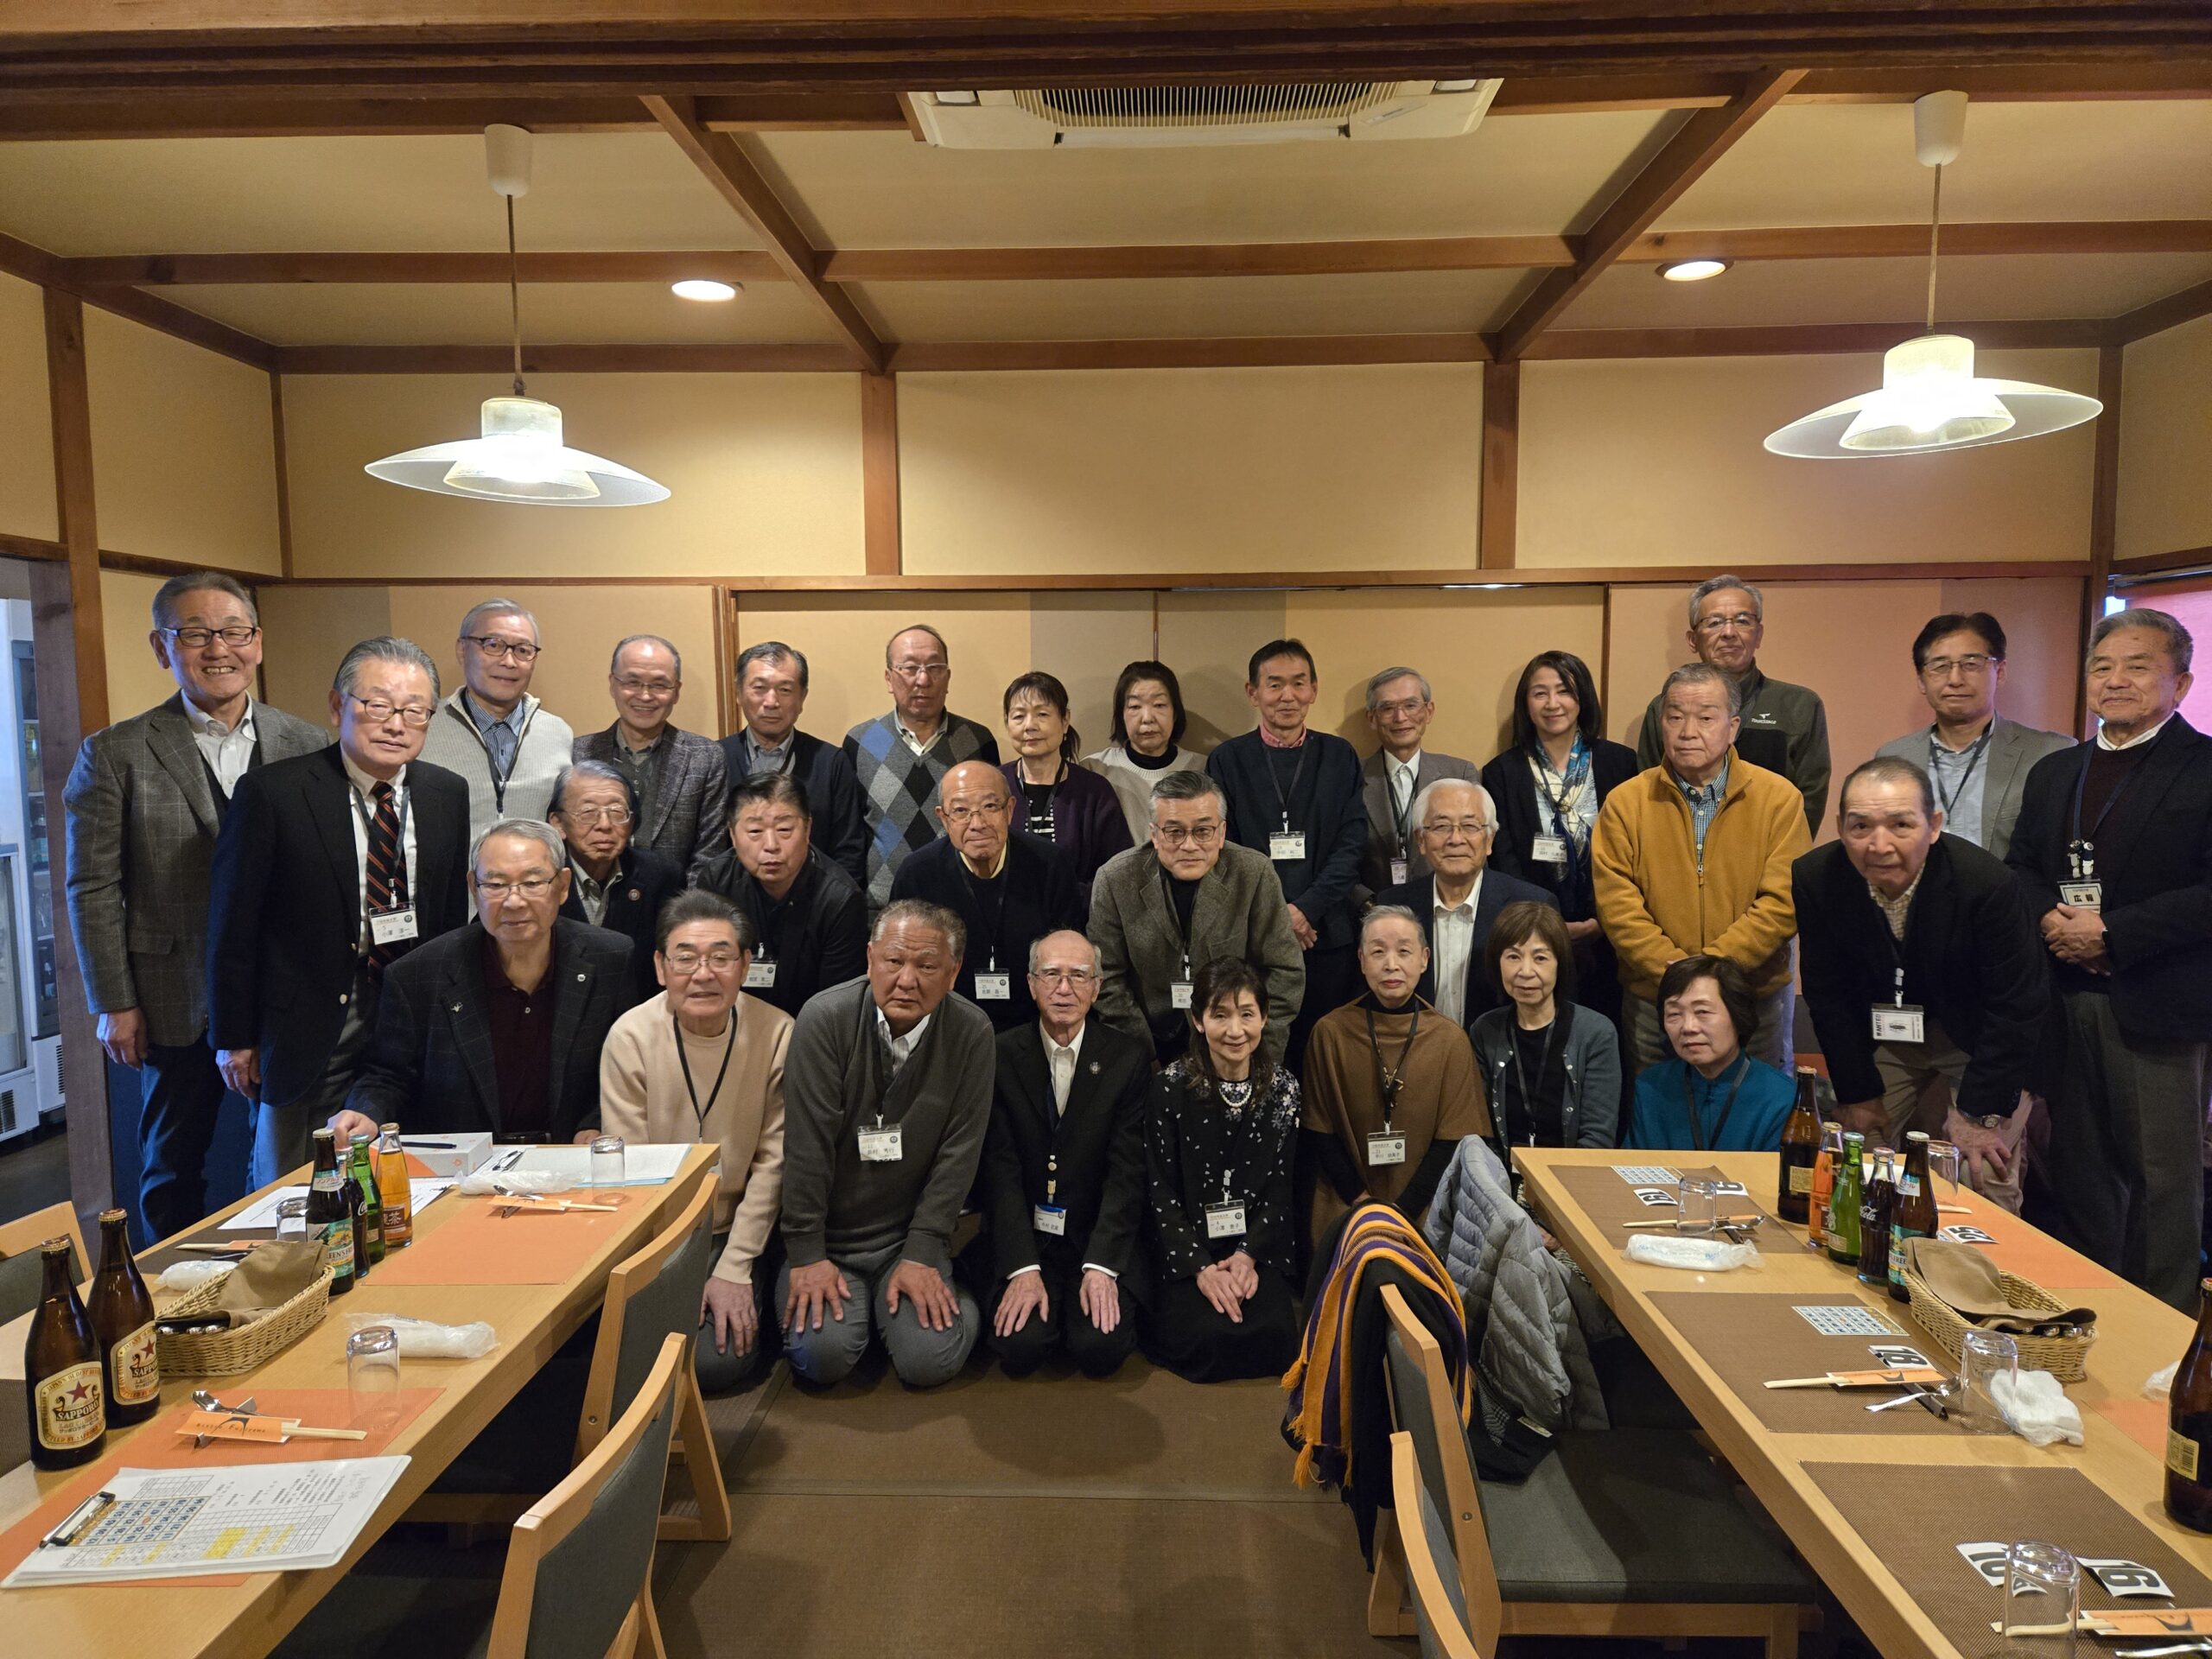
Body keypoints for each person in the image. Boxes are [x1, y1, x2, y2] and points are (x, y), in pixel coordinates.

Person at [62, 571, 329, 1239]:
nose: (219, 649)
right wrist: (113, 1000)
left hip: (283, 989)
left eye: (234, 632)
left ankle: (285, 1275)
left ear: (257, 642)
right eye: (196, 634)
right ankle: (168, 1288)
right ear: (162, 647)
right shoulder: (116, 752)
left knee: (288, 1155)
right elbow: (92, 885)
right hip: (172, 995)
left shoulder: (305, 743)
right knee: (172, 1162)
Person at [207, 639, 471, 1185]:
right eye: (378, 705)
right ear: (336, 706)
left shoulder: (447, 792)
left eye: (415, 710)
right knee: (300, 1184)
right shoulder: (273, 793)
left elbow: (447, 919)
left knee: (403, 1175)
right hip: (309, 1019)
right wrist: (234, 1037)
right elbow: (232, 924)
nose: (396, 724)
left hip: (407, 1010)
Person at [2008, 608, 2212, 1309]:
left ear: (2181, 683)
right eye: (2102, 666)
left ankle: (2167, 1340)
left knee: (2163, 1183)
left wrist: (2113, 934)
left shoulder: (2204, 767)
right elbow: (2022, 866)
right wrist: (2051, 919)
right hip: (2066, 998)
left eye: (2138, 666)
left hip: (2158, 1003)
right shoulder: (2056, 771)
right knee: (2080, 1175)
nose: (2115, 679)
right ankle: (2092, 1319)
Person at [1795, 759, 2047, 1208]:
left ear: (1933, 826)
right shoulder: (1816, 877)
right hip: (1890, 1036)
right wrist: (1858, 1094)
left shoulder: (1985, 883)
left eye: (1900, 825)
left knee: (1976, 1170)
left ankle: (1988, 1253)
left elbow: (2016, 1006)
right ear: (1840, 828)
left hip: (1980, 1036)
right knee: (1856, 1154)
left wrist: (1977, 1116)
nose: (1879, 845)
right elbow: (1828, 995)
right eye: (1861, 826)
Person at [778, 899, 995, 1388]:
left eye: (927, 966)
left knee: (929, 1362)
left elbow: (959, 1156)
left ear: (954, 973)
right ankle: (872, 1313)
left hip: (907, 1237)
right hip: (830, 1239)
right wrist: (807, 1254)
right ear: (870, 958)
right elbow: (806, 1150)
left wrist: (921, 1252)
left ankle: (924, 1296)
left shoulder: (972, 1031)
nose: (907, 979)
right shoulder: (825, 1017)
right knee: (821, 1358)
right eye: (894, 961)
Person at [332, 819, 632, 1146]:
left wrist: (596, 1123)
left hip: (570, 1153)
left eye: (532, 883)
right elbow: (388, 1075)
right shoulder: (419, 974)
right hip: (466, 1161)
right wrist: (366, 1113)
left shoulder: (611, 958)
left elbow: (626, 1068)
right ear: (474, 888)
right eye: (496, 884)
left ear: (562, 886)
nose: (514, 901)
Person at [599, 890, 793, 1391]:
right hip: (660, 1230)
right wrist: (666, 1269)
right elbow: (632, 1173)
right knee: (639, 1357)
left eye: (720, 958)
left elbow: (774, 1165)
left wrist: (734, 1268)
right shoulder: (630, 1037)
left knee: (715, 1364)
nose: (703, 974)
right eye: (685, 958)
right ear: (660, 967)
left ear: (745, 965)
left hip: (736, 1228)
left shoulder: (777, 1033)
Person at [1595, 663, 1808, 1073]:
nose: (1688, 731)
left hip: (1749, 996)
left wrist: (1712, 972)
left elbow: (1782, 902)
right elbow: (1616, 904)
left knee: (1752, 1108)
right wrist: (1678, 977)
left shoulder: (1780, 799)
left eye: (1706, 718)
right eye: (1675, 717)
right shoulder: (1625, 802)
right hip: (1656, 998)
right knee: (1658, 1106)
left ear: (1733, 727)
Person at [981, 930, 1151, 1379]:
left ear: (1097, 987)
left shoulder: (1127, 1058)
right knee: (1021, 1347)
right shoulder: (999, 1054)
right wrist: (1021, 1267)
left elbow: (1127, 1173)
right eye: (1051, 974)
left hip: (1094, 1235)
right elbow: (1000, 1169)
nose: (1064, 988)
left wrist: (1102, 1267)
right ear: (1030, 983)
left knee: (1100, 1349)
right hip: (1027, 1235)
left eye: (1078, 976)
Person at [1142, 956, 1302, 1384]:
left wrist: (1247, 1257)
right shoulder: (1169, 1087)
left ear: (1264, 1017)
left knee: (1276, 1335)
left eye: (1247, 1014)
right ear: (1198, 1020)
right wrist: (1202, 1268)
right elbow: (1159, 1189)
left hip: (1251, 1247)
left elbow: (1280, 1187)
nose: (1235, 1030)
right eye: (1220, 1015)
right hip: (1189, 1250)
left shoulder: (1284, 1089)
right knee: (1207, 1339)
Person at [1207, 639, 1366, 1065]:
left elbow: (1352, 844)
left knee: (1323, 1053)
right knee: (1256, 1052)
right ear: (1253, 692)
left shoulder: (1339, 756)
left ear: (1314, 689)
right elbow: (1223, 848)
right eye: (1275, 684)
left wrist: (1307, 909)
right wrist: (1280, 916)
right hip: (1253, 936)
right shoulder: (1227, 759)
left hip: (1326, 932)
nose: (1287, 696)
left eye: (1299, 683)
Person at [1300, 906, 1489, 1247]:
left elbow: (1454, 1139)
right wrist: (1363, 1204)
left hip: (1426, 1209)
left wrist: (1401, 1211)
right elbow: (1320, 1128)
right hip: (1346, 1205)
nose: (1391, 964)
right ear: (1361, 960)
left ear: (1424, 959)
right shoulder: (1330, 1033)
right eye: (1378, 952)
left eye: (1404, 951)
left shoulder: (1449, 1039)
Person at [1088, 770, 1304, 1066]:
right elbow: (1106, 977)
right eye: (1174, 832)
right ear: (1154, 834)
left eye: (1203, 831)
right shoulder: (1115, 878)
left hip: (1235, 1040)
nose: (1189, 845)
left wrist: (1255, 1053)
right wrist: (1139, 1058)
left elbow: (1285, 972)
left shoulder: (1254, 873)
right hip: (1149, 1040)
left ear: (1222, 832)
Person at [1481, 649, 1639, 1038]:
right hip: (1534, 933)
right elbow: (1504, 858)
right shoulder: (1502, 771)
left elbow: (1635, 849)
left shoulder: (1620, 762)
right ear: (1526, 703)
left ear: (1582, 697)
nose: (1553, 703)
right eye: (1540, 693)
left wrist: (1603, 919)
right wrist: (1546, 921)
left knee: (1607, 1030)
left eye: (1564, 690)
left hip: (1611, 931)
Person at [890, 760, 1084, 1034]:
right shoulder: (917, 874)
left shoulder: (1051, 864)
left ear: (1009, 809)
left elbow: (1070, 958)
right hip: (945, 1025)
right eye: (961, 811)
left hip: (1033, 1025)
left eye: (990, 807)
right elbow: (901, 966)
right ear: (943, 818)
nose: (977, 824)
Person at [1636, 575, 1830, 833]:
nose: (1729, 633)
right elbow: (1650, 792)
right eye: (1715, 622)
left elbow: (1809, 804)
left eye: (1742, 621)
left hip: (1771, 850)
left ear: (1758, 635)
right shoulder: (1664, 707)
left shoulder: (1798, 705)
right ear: (1693, 639)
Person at [1876, 612, 2073, 861]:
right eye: (1940, 666)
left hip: (2010, 887)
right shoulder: (1892, 759)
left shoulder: (2051, 754)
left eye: (1971, 664)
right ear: (1921, 680)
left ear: (2000, 672)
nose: (1955, 679)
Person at [844, 623, 1001, 911]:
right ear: (889, 678)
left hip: (964, 908)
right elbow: (851, 839)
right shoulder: (860, 742)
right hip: (883, 911)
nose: (923, 679)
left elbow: (993, 826)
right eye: (909, 668)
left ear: (948, 677)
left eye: (934, 667)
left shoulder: (977, 741)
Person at [1379, 779, 1555, 1031]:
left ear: (1489, 840)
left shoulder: (1532, 906)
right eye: (1441, 826)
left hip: (1499, 1048)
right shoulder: (1391, 908)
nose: (1456, 839)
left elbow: (1553, 1007)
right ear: (1421, 839)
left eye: (1470, 826)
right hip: (1414, 1047)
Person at [696, 773, 869, 1020]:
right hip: (732, 1022)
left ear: (807, 829)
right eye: (755, 830)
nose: (771, 845)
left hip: (810, 1029)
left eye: (784, 829)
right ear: (733, 835)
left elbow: (837, 1003)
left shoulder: (840, 899)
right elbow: (710, 972)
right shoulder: (717, 881)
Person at [1469, 900, 1624, 1160]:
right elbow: (1480, 1131)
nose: (1526, 971)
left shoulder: (1596, 1033)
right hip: (1499, 1179)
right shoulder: (1485, 1030)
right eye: (1513, 957)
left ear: (1560, 963)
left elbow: (1597, 1138)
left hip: (1571, 1177)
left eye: (1540, 958)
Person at [572, 633, 728, 880]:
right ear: (613, 684)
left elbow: (709, 856)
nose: (645, 696)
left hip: (678, 900)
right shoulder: (578, 754)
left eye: (659, 685)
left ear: (676, 691)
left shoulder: (707, 758)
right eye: (633, 682)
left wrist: (683, 905)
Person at [719, 639, 868, 889]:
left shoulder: (831, 762)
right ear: (738, 694)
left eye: (785, 690)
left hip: (817, 902)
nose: (771, 701)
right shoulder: (716, 758)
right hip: (732, 903)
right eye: (759, 688)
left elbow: (849, 851)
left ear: (802, 698)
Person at [418, 598, 574, 833]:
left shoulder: (558, 732)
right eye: (493, 645)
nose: (509, 662)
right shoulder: (423, 726)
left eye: (523, 650)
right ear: (462, 650)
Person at [1624, 956, 1796, 1152]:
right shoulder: (1651, 1086)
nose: (1688, 1027)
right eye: (1674, 1014)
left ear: (1738, 1015)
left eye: (1702, 1012)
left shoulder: (1780, 1096)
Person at [550, 760, 683, 1008]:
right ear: (558, 823)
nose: (604, 825)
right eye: (588, 812)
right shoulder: (540, 879)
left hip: (636, 1017)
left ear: (632, 822)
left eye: (617, 812)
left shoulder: (660, 876)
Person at [1001, 671, 1133, 893]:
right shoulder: (995, 785)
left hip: (1077, 912)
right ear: (1007, 723)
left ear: (1065, 721)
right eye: (1018, 716)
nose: (1029, 725)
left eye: (1042, 714)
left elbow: (1118, 871)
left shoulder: (1094, 791)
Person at [1357, 666, 1478, 895]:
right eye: (1387, 708)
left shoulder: (1460, 773)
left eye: (1411, 705)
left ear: (1429, 712)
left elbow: (1476, 850)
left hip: (1445, 903)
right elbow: (1338, 854)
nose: (1400, 717)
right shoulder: (1352, 776)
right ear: (1371, 718)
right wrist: (1367, 904)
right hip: (1373, 908)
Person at [1082, 659, 1210, 842]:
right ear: (1121, 715)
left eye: (1159, 705)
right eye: (1135, 707)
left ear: (1175, 712)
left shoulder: (1204, 769)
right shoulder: (1095, 770)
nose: (1147, 718)